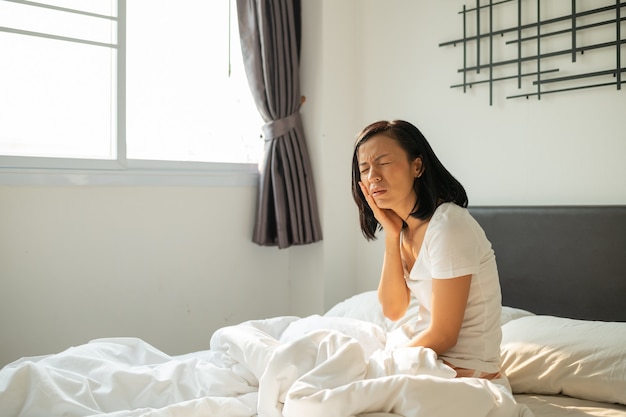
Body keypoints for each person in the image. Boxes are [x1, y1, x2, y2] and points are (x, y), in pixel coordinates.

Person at [351, 120, 503, 380]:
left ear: (417, 166)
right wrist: (391, 235)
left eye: (384, 163)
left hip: (464, 369)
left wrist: (381, 368)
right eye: (364, 169)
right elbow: (394, 310)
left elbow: (444, 334)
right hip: (429, 359)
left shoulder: (448, 227)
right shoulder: (406, 228)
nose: (373, 176)